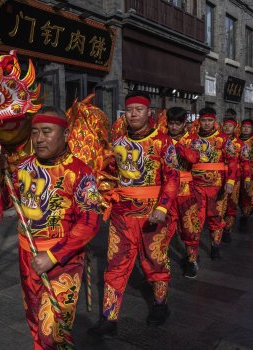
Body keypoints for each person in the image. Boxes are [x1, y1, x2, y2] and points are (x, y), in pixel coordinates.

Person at [89, 92, 179, 338]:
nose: (134, 114)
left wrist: (162, 208)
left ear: (148, 113)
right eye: (130, 110)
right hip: (122, 214)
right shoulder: (117, 143)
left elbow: (172, 177)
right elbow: (107, 173)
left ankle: (160, 305)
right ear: (125, 113)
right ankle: (109, 318)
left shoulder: (163, 142)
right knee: (116, 264)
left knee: (155, 259)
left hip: (154, 215)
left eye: (139, 109)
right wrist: (99, 191)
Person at [15, 106, 101, 349]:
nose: (39, 139)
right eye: (34, 132)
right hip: (27, 255)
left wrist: (53, 256)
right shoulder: (22, 168)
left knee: (53, 330)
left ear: (65, 134)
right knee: (34, 318)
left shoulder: (80, 172)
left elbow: (89, 222)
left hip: (64, 260)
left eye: (46, 131)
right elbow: (4, 200)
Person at [186, 108, 238, 260]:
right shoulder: (191, 139)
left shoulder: (223, 139)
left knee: (216, 217)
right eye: (204, 120)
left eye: (210, 121)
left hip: (217, 186)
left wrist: (230, 181)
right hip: (196, 186)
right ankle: (192, 255)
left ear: (214, 122)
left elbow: (233, 160)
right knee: (196, 219)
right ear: (199, 121)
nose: (207, 123)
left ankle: (215, 246)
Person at [164, 107, 202, 278]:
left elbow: (194, 158)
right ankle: (159, 265)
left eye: (177, 124)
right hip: (165, 192)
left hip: (186, 190)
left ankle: (192, 260)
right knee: (163, 229)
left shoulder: (192, 139)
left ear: (184, 124)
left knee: (189, 228)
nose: (173, 127)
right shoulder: (161, 139)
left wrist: (178, 147)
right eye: (171, 123)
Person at [221, 117, 251, 242]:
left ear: (235, 128)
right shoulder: (216, 141)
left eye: (230, 126)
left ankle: (227, 230)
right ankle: (217, 229)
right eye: (226, 125)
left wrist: (247, 177)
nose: (228, 128)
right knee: (218, 205)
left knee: (231, 204)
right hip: (218, 177)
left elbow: (246, 162)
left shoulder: (241, 144)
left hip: (235, 178)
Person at [237, 119, 253, 228]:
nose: (245, 129)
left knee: (247, 193)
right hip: (236, 170)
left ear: (252, 129)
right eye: (244, 127)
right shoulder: (235, 139)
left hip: (250, 170)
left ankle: (245, 215)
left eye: (248, 127)